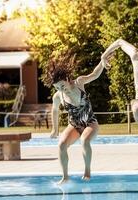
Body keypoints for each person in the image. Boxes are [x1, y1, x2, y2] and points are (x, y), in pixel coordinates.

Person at [46, 52, 109, 183]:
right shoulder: (58, 96)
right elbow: (55, 110)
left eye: (62, 86)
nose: (61, 89)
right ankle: (65, 177)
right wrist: (55, 129)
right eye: (57, 88)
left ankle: (87, 171)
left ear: (68, 79)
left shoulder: (79, 83)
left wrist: (103, 61)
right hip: (74, 125)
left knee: (85, 141)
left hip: (90, 122)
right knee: (62, 145)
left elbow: (94, 74)